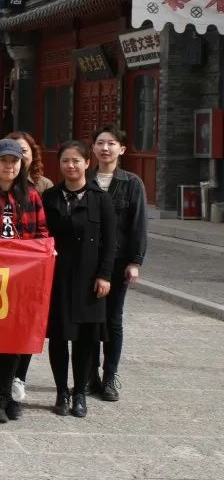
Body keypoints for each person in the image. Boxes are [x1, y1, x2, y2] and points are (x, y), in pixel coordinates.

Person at [0, 138, 49, 423]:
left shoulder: (31, 196)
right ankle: (1, 397)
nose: (9, 166)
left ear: (21, 165)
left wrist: (39, 251)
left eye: (14, 161)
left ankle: (4, 396)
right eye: (3, 160)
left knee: (17, 335)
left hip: (23, 278)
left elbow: (42, 233)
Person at [41, 140, 115, 419]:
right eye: (65, 161)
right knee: (59, 338)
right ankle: (62, 391)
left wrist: (105, 275)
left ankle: (80, 393)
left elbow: (110, 242)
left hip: (89, 280)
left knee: (85, 340)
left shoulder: (101, 199)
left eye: (76, 161)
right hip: (58, 278)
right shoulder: (50, 198)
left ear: (87, 163)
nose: (70, 166)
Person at [88, 125, 146, 402]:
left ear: (121, 149)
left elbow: (138, 225)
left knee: (112, 319)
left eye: (111, 143)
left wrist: (135, 261)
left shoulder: (131, 183)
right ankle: (89, 376)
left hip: (117, 260)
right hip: (86, 261)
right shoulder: (85, 178)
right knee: (88, 319)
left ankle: (110, 376)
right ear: (93, 148)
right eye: (100, 143)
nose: (105, 148)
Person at [5, 131, 53, 400]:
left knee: (25, 322)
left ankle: (18, 378)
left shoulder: (39, 190)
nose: (16, 159)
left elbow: (43, 230)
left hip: (28, 269)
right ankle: (1, 379)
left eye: (22, 152)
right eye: (9, 155)